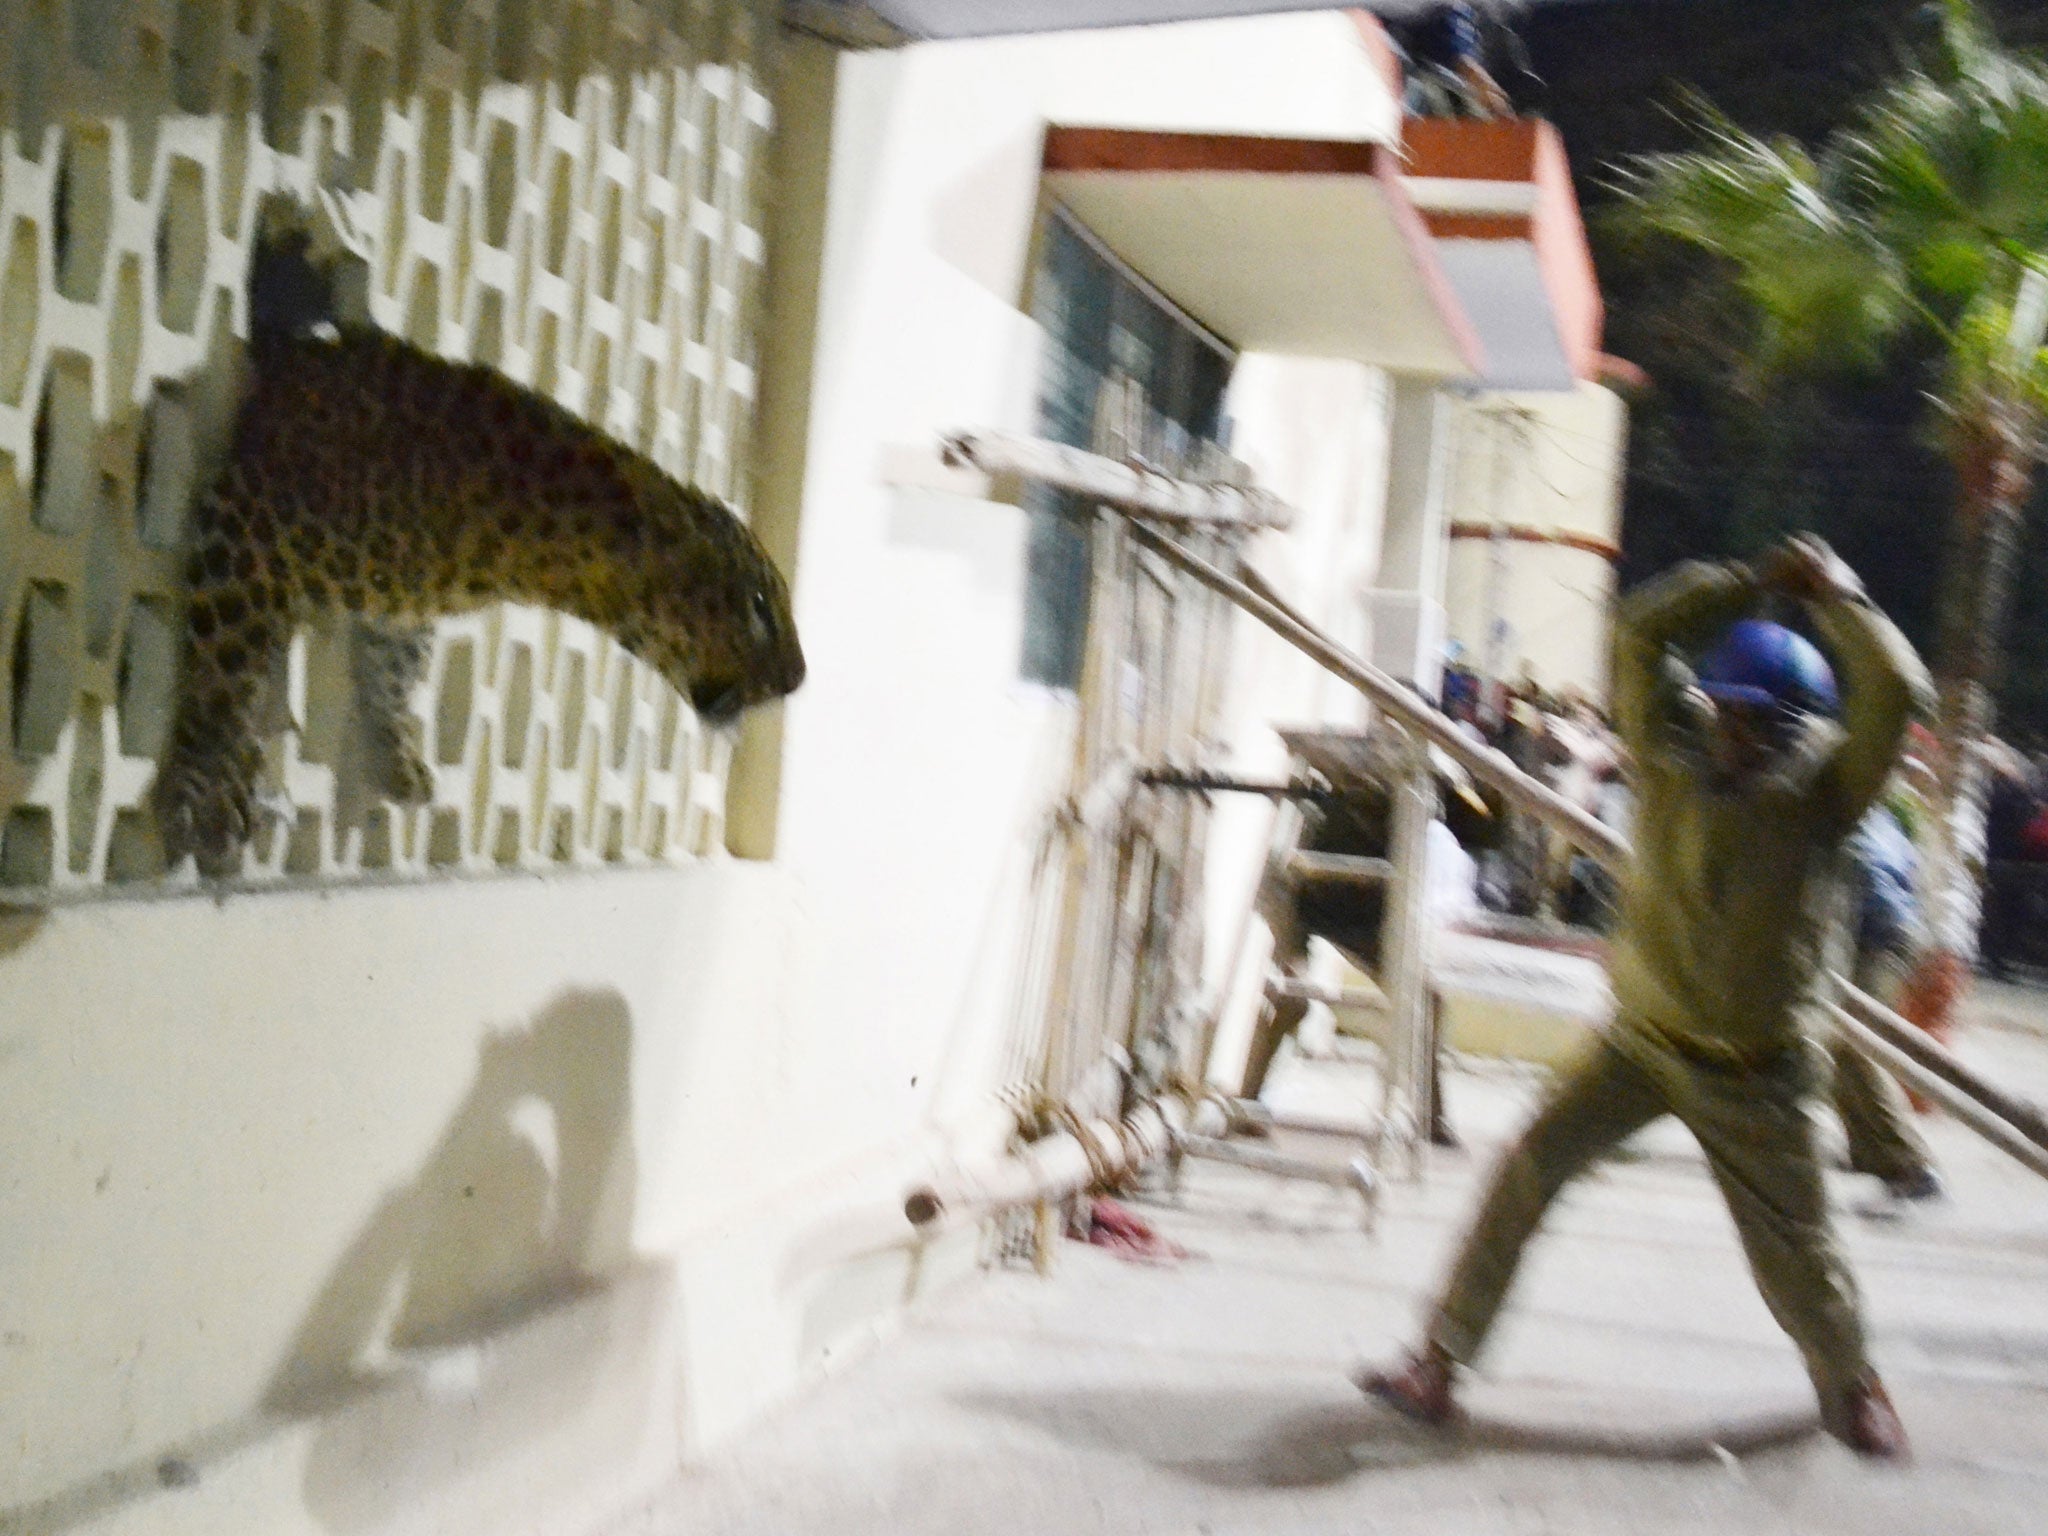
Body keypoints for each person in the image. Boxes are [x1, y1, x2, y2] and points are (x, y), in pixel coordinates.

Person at [1358, 535, 1930, 1460]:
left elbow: (1897, 693)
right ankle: (1437, 1365)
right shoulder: (1670, 749)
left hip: (1761, 1070)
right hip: (1643, 1043)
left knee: (1798, 1252)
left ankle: (1854, 1386)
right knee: (1528, 1171)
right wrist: (1744, 579)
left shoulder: (1829, 789)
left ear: (1800, 727)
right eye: (1729, 715)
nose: (1739, 739)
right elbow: (1638, 632)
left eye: (1764, 725)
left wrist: (1839, 597)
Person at [1825, 796, 1945, 1208]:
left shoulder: (1832, 807)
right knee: (1835, 1043)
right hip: (1886, 930)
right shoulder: (1865, 801)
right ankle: (1867, 1148)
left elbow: (1858, 886)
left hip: (1878, 936)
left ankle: (1913, 1166)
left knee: (1854, 1047)